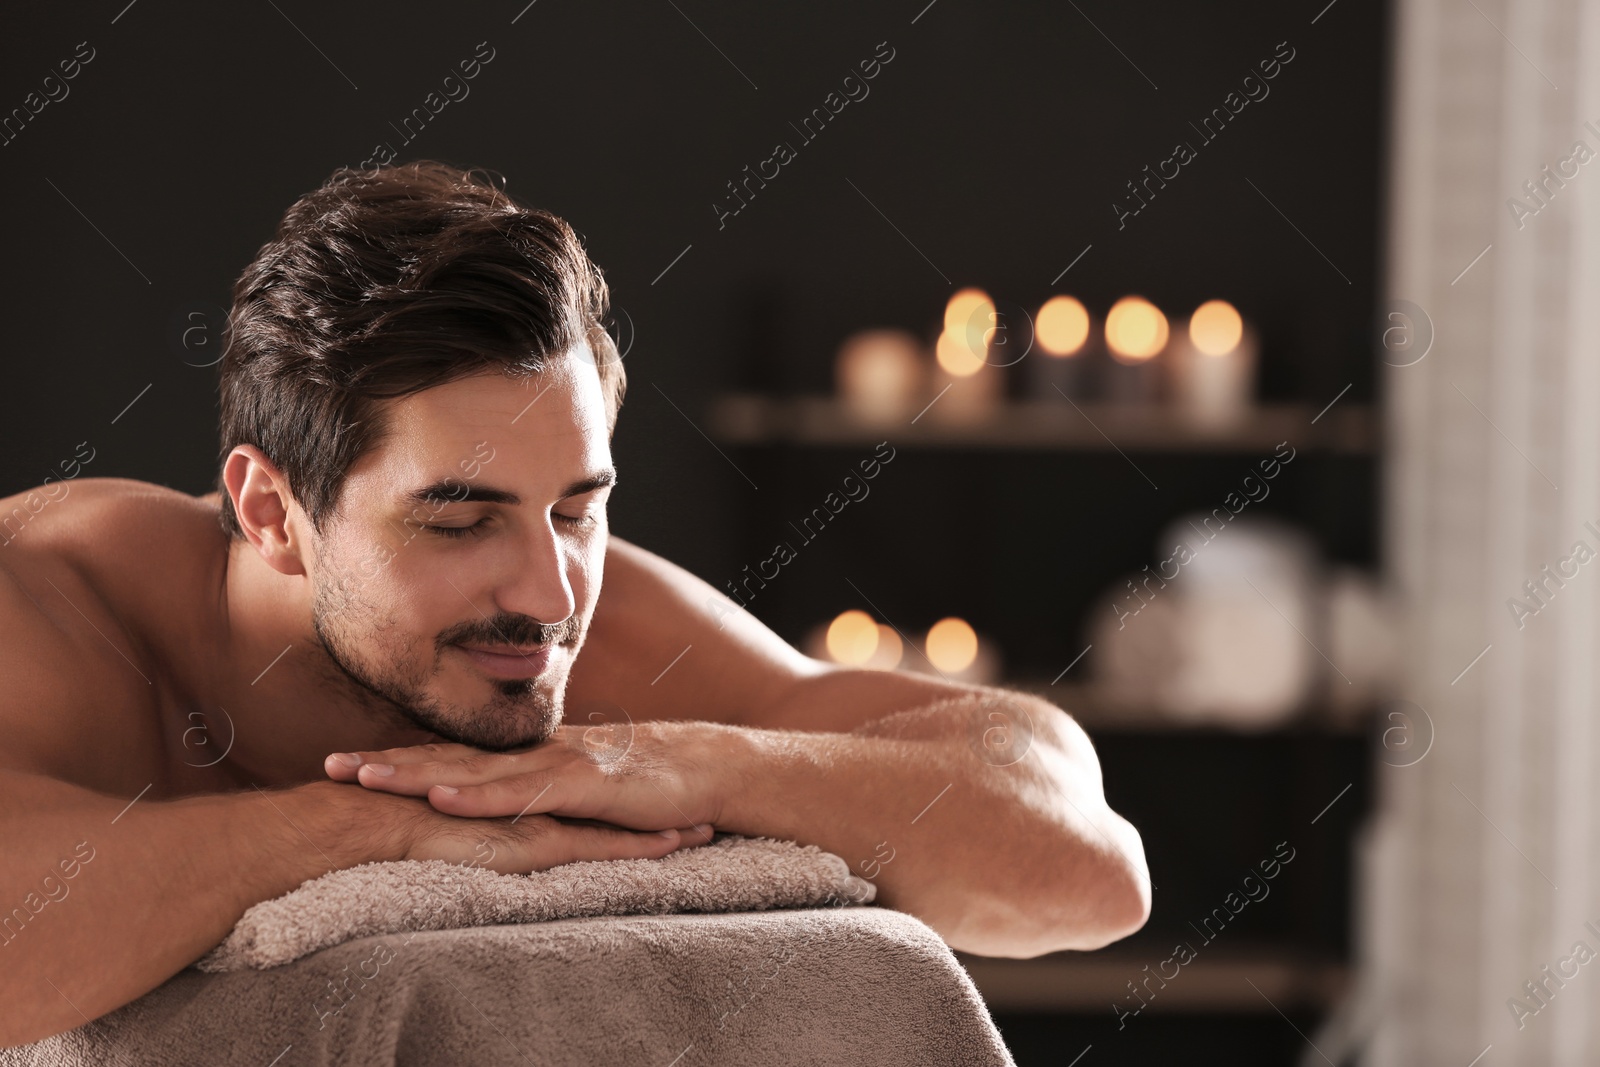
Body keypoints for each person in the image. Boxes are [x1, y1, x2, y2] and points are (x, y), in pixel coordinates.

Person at [0, 160, 1149, 1047]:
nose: (550, 595)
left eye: (576, 508)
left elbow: (1087, 869)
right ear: (267, 510)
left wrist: (697, 760)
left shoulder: (584, 629)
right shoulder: (58, 610)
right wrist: (359, 830)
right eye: (457, 520)